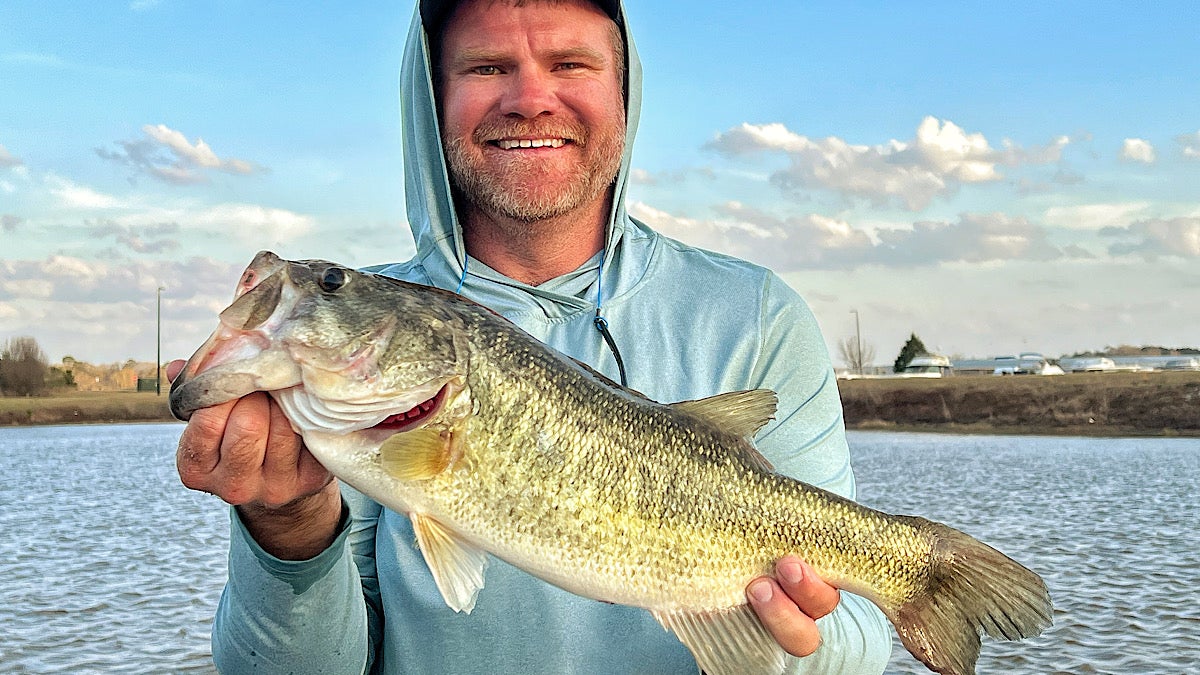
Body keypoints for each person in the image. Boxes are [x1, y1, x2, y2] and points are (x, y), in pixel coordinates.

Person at [173, 0, 893, 672]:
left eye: (570, 65)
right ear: (432, 102)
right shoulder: (340, 408)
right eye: (486, 67)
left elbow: (863, 638)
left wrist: (790, 648)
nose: (529, 98)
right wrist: (290, 532)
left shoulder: (759, 317)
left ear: (625, 92)